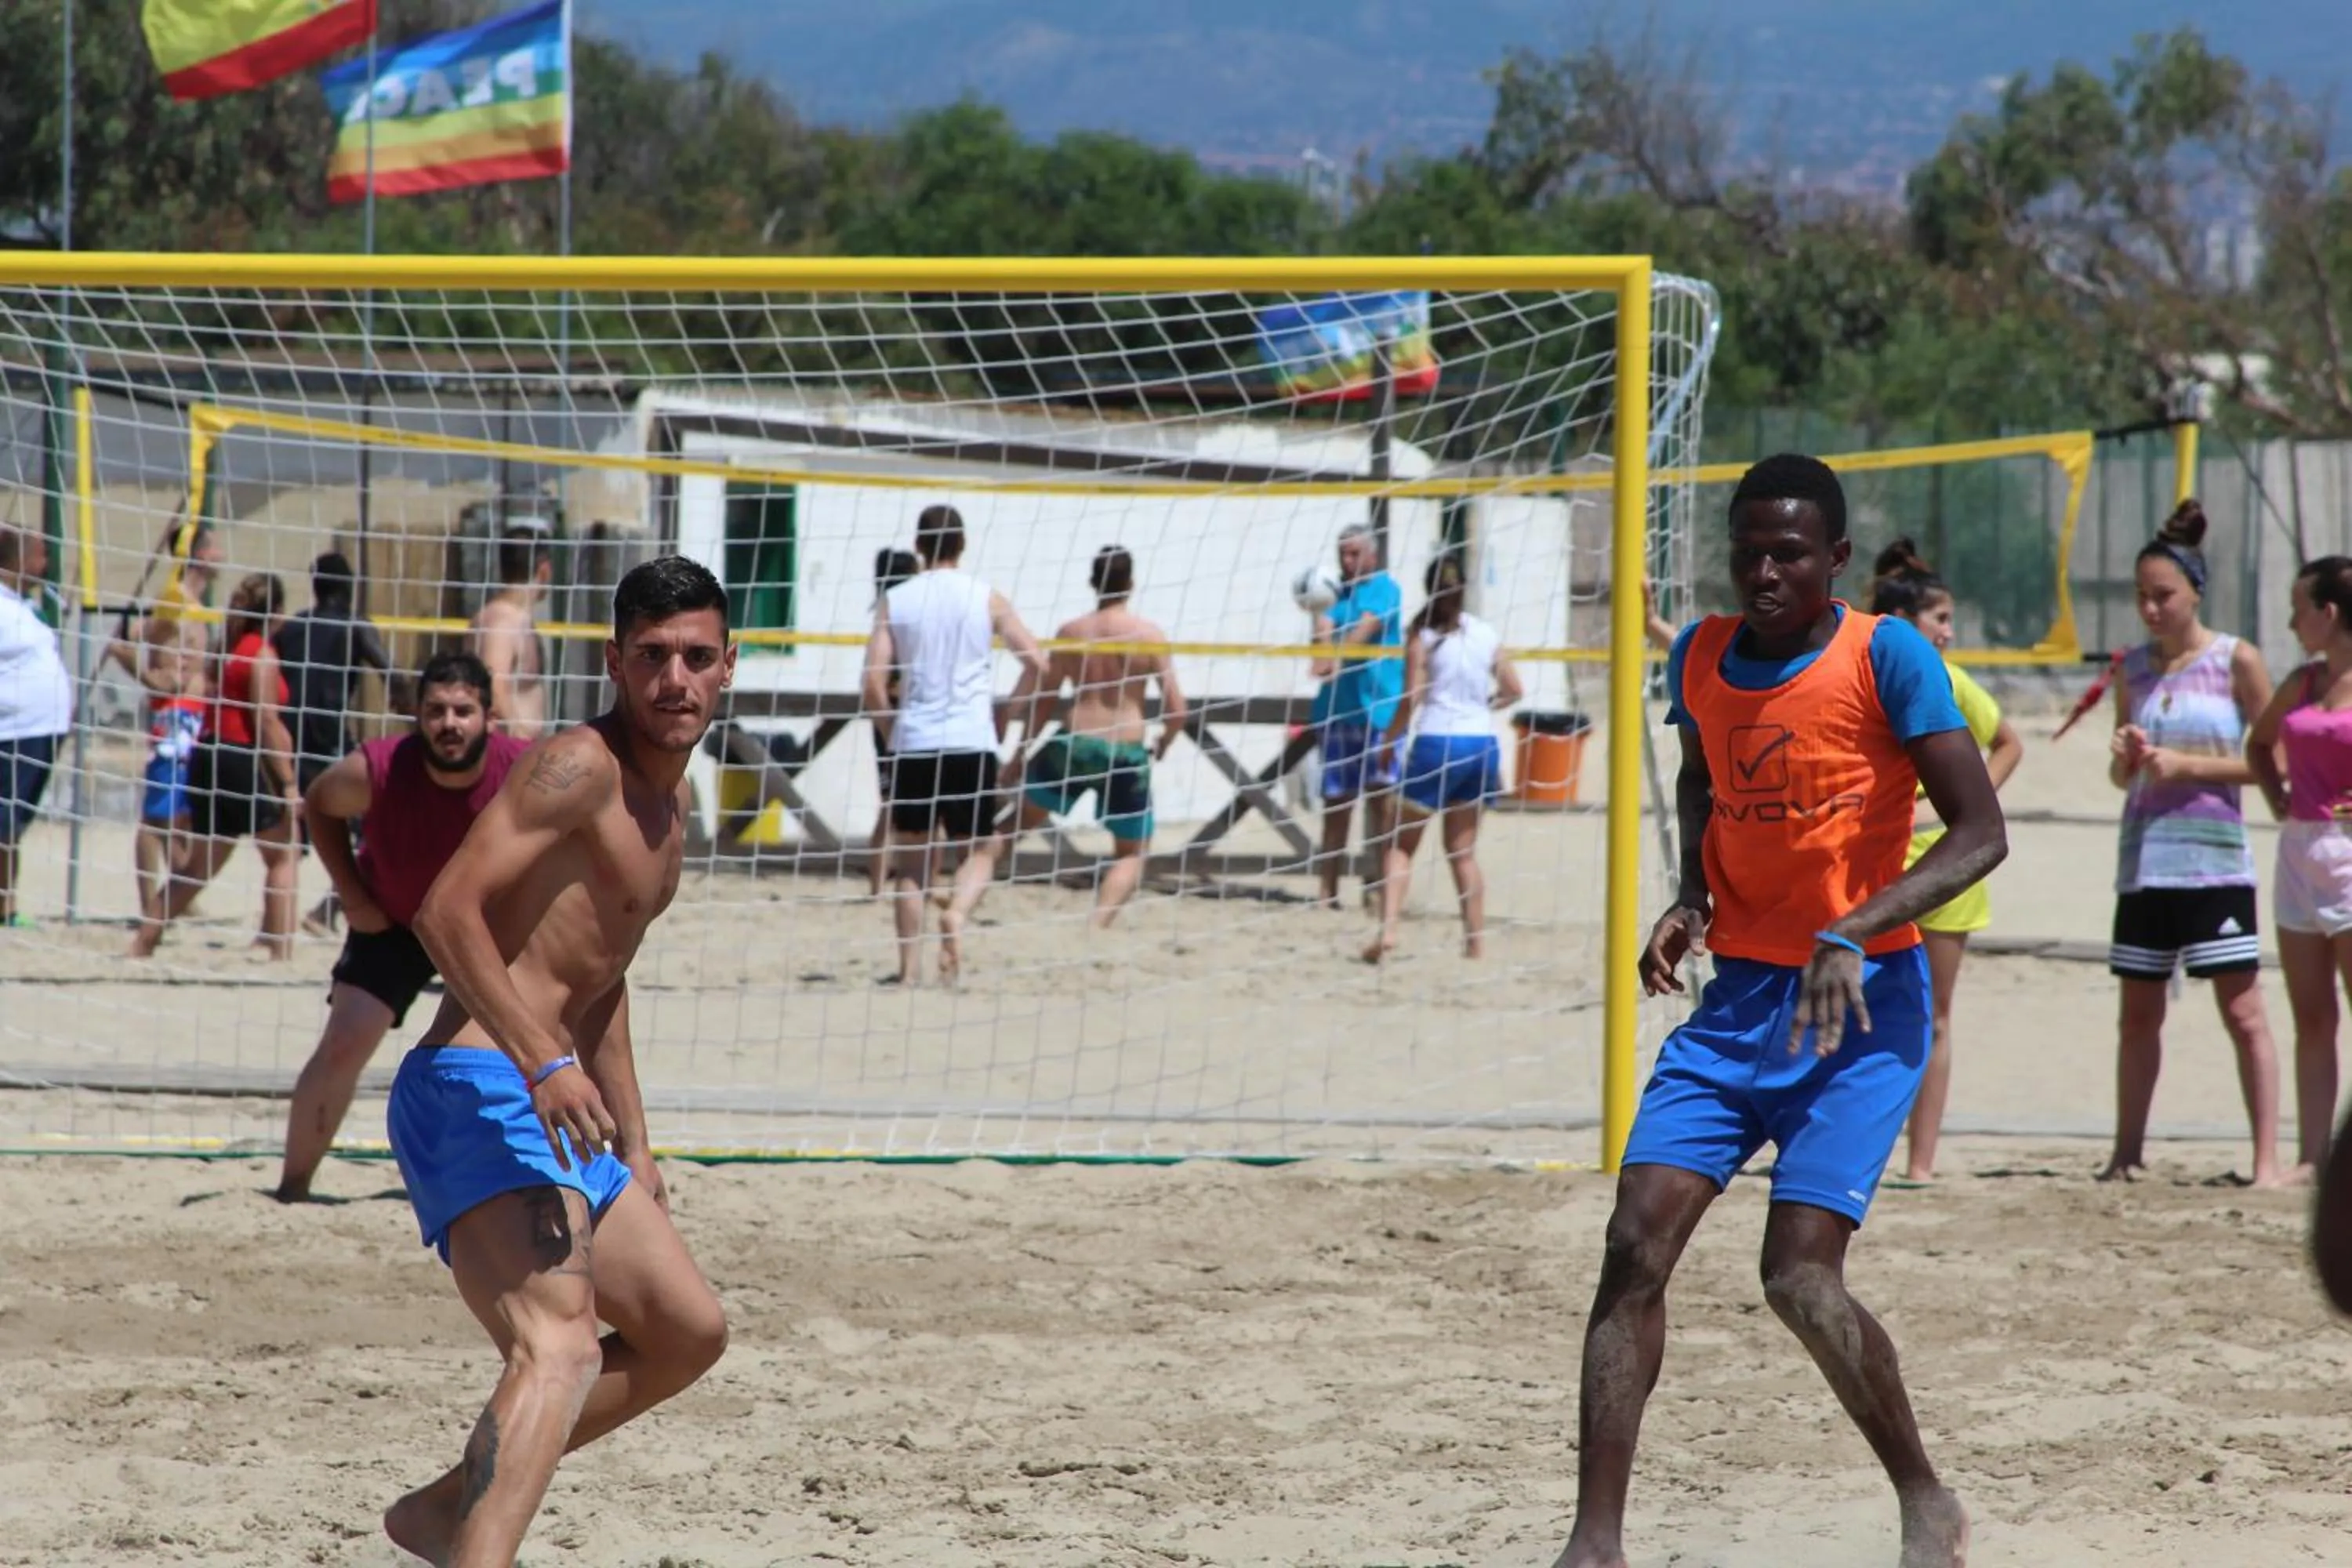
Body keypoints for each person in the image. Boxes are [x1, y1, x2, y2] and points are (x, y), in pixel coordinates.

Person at [1554, 455, 2001, 1568]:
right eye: (1747, 551)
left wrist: (1852, 926)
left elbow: (1980, 832)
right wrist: (1690, 895)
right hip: (1738, 1001)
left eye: (1788, 554)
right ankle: (1595, 1543)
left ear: (1834, 558)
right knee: (1633, 1244)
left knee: (1797, 1278)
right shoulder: (1700, 655)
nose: (1763, 572)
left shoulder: (1886, 655)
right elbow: (1701, 775)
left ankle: (1925, 1497)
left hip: (1862, 1008)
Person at [379, 557, 733, 1566]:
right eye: (653, 656)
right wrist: (543, 1059)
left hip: (554, 1100)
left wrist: (639, 1144)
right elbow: (444, 910)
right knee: (562, 1344)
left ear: (727, 666)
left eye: (695, 657)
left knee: (688, 1330)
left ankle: (446, 1512)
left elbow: (599, 979)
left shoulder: (667, 814)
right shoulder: (579, 764)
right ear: (614, 662)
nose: (675, 679)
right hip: (478, 1083)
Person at [274, 652, 529, 1203]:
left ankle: (530, 1184)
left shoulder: (523, 772)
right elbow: (319, 805)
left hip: (485, 932)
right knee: (344, 1042)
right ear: (417, 716)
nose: (449, 724)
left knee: (520, 1051)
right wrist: (352, 896)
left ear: (489, 718)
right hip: (394, 921)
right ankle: (292, 1189)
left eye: (463, 711)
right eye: (436, 711)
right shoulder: (379, 768)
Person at [2102, 499, 2286, 1187]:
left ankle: (2266, 1162)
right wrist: (2127, 757)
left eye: (2163, 595)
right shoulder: (2132, 668)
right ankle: (2126, 1153)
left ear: (2195, 592)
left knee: (2243, 1011)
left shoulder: (2236, 659)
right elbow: (2122, 778)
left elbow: (2274, 763)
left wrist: (2190, 766)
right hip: (2146, 860)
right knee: (2137, 1015)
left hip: (2215, 863)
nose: (2150, 609)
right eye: (2141, 597)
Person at [1867, 541, 2026, 1183]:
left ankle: (1921, 1163)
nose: (1950, 632)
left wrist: (1962, 809)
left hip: (1948, 872)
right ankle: (1858, 1155)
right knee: (1858, 1010)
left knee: (1933, 1017)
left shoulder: (1953, 682)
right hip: (1875, 870)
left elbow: (2009, 744)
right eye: (1941, 619)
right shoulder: (1866, 679)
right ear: (1902, 624)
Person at [862, 506, 1046, 985]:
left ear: (919, 547)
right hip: (970, 740)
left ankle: (908, 973)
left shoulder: (896, 600)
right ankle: (957, 913)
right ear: (962, 545)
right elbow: (1037, 663)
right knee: (983, 849)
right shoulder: (987, 597)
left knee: (912, 865)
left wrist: (893, 732)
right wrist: (1006, 713)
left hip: (916, 741)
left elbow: (873, 683)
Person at [2245, 554, 2352, 1180]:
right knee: (2312, 1018)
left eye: (2298, 610)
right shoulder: (2304, 682)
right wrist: (2277, 797)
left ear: (2328, 613)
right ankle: (2314, 1158)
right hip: (2299, 852)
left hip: (2348, 852)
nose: (2291, 623)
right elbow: (2259, 745)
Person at [1015, 545, 1188, 928]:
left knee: (1010, 829)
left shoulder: (1071, 632)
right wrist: (1164, 742)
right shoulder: (1149, 635)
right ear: (1132, 583)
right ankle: (1096, 926)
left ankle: (961, 897)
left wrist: (1018, 756)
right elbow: (1178, 710)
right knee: (1131, 853)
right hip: (1124, 749)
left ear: (1093, 582)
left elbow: (1044, 701)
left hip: (1074, 741)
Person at [1363, 554, 1522, 964]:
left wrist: (1388, 742)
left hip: (1436, 742)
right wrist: (1485, 705)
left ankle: (1389, 931)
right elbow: (1514, 689)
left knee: (1400, 845)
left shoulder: (1423, 635)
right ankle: (1475, 943)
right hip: (1480, 746)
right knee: (1463, 853)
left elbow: (1411, 699)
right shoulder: (1484, 632)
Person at [134, 573, 300, 960]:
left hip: (208, 754)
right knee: (283, 853)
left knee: (198, 867)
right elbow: (265, 722)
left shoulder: (227, 647)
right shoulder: (261, 655)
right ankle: (280, 952)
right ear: (276, 613)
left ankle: (143, 941)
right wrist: (289, 783)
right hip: (240, 757)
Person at [106, 526, 222, 935]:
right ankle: (149, 905)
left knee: (182, 814)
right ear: (200, 554)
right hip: (173, 718)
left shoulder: (194, 604)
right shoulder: (174, 600)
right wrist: (150, 676)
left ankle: (178, 897)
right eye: (216, 547)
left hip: (193, 716)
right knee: (157, 817)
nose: (223, 555)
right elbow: (124, 643)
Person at [1310, 522, 1404, 911]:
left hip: (1379, 714)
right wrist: (1319, 630)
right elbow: (1325, 630)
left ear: (1372, 554)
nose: (1346, 561)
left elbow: (1366, 628)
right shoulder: (1336, 592)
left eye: (1353, 553)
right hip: (1338, 712)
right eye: (1342, 554)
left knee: (1383, 808)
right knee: (1336, 807)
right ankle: (1327, 893)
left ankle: (1381, 891)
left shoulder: (1385, 588)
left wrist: (1334, 655)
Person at [0, 525, 73, 929]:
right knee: (4, 823)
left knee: (14, 825)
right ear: (19, 559)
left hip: (42, 730)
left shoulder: (26, 605)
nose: (47, 563)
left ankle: (7, 907)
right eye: (41, 555)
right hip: (13, 731)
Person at [866, 547, 920, 899]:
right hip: (899, 720)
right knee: (895, 807)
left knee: (894, 806)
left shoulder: (887, 612)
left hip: (892, 719)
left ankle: (878, 887)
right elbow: (881, 681)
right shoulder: (898, 614)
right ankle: (880, 887)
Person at [470, 528, 554, 739]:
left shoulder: (514, 620)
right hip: (509, 751)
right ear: (544, 570)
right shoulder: (502, 623)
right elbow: (493, 692)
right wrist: (520, 742)